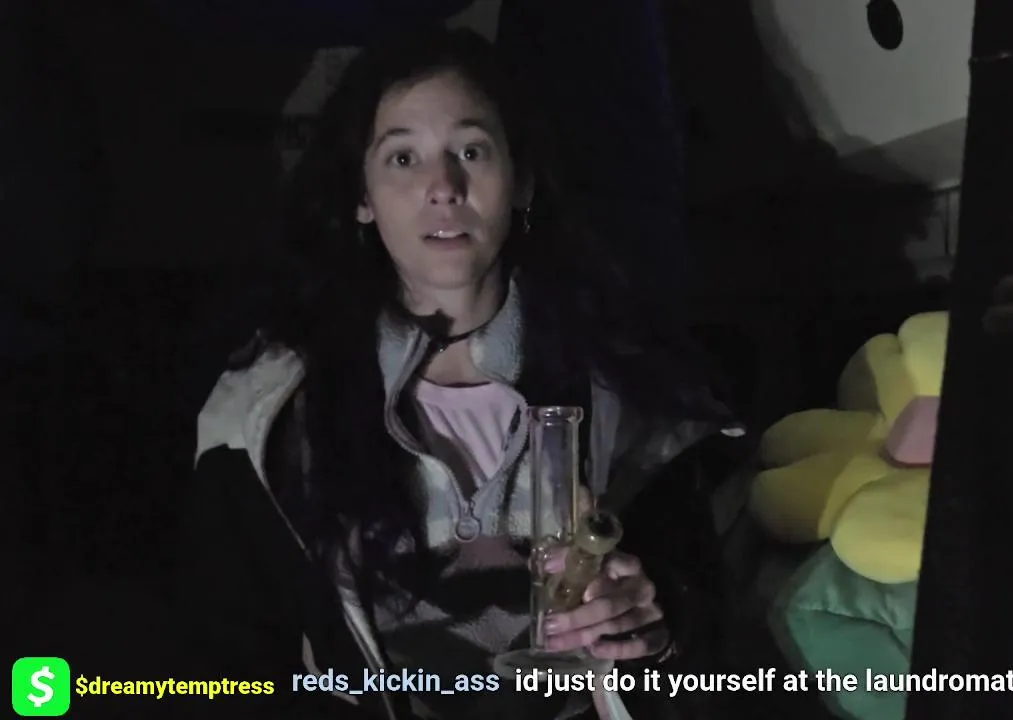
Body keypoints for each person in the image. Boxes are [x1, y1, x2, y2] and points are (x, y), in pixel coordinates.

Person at [179, 24, 744, 720]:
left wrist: (653, 633)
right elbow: (230, 664)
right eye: (403, 158)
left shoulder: (629, 390)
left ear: (522, 180)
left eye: (471, 151)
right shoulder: (267, 415)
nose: (443, 187)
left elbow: (709, 644)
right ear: (361, 196)